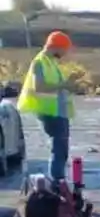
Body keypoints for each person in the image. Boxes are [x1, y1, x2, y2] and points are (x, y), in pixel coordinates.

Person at [18, 30, 77, 185]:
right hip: (49, 112)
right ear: (57, 46)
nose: (65, 53)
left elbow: (57, 87)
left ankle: (58, 180)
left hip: (57, 111)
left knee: (61, 148)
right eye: (64, 49)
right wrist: (65, 84)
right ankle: (57, 182)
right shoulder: (40, 62)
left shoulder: (50, 62)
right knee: (59, 147)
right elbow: (40, 87)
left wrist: (69, 85)